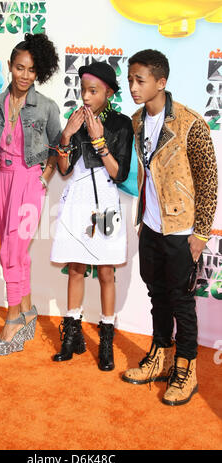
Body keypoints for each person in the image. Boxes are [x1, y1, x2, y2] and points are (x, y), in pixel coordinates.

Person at [123, 49, 218, 405]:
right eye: (130, 79)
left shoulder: (191, 123)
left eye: (140, 80)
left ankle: (186, 368)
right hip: (149, 224)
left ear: (161, 83)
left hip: (181, 229)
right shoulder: (135, 121)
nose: (132, 86)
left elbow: (208, 180)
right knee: (156, 294)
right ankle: (160, 355)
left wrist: (201, 233)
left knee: (181, 301)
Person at [0, 33, 61, 356]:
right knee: (17, 252)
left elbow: (57, 147)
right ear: (10, 66)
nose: (25, 75)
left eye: (32, 70)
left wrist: (44, 177)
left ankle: (11, 319)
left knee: (12, 250)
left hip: (28, 182)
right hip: (0, 182)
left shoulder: (46, 107)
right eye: (20, 68)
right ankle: (27, 310)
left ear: (39, 73)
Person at [50, 62, 133, 371]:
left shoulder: (121, 124)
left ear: (108, 93)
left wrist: (99, 140)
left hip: (106, 205)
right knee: (75, 268)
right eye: (83, 90)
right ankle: (72, 336)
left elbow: (119, 172)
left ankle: (106, 340)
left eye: (93, 91)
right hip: (78, 202)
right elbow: (63, 169)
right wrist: (67, 136)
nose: (86, 97)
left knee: (107, 272)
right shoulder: (75, 120)